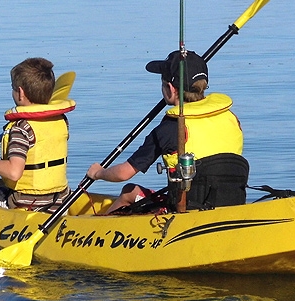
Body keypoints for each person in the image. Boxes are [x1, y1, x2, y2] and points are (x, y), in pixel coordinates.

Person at [87, 50, 249, 214]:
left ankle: (98, 228)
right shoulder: (230, 117)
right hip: (232, 203)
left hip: (185, 209)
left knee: (129, 192)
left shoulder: (171, 128)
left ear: (170, 88)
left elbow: (123, 173)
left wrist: (98, 172)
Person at [0, 57, 75, 212]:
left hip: (24, 204)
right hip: (60, 200)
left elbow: (14, 173)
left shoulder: (21, 128)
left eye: (13, 88)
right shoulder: (61, 120)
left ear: (20, 93)